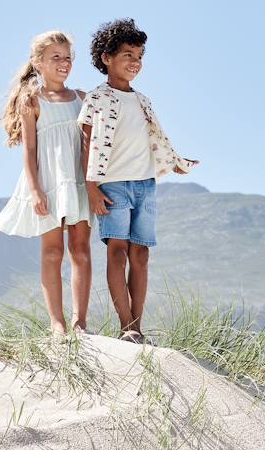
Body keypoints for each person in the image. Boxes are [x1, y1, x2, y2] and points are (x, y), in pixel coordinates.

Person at [78, 18, 198, 343]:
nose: (135, 62)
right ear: (107, 58)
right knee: (116, 251)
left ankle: (138, 327)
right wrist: (91, 186)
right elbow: (86, 142)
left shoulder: (143, 101)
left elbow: (155, 137)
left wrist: (176, 161)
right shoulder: (96, 99)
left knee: (141, 255)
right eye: (128, 54)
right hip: (112, 185)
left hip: (145, 185)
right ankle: (125, 325)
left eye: (140, 55)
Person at [0, 30, 91, 336]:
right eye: (56, 58)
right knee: (52, 252)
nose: (64, 63)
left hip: (76, 181)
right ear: (38, 62)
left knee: (81, 250)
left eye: (67, 57)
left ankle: (80, 322)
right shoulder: (32, 101)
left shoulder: (82, 98)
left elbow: (91, 146)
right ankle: (57, 323)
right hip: (48, 182)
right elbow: (30, 150)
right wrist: (35, 190)